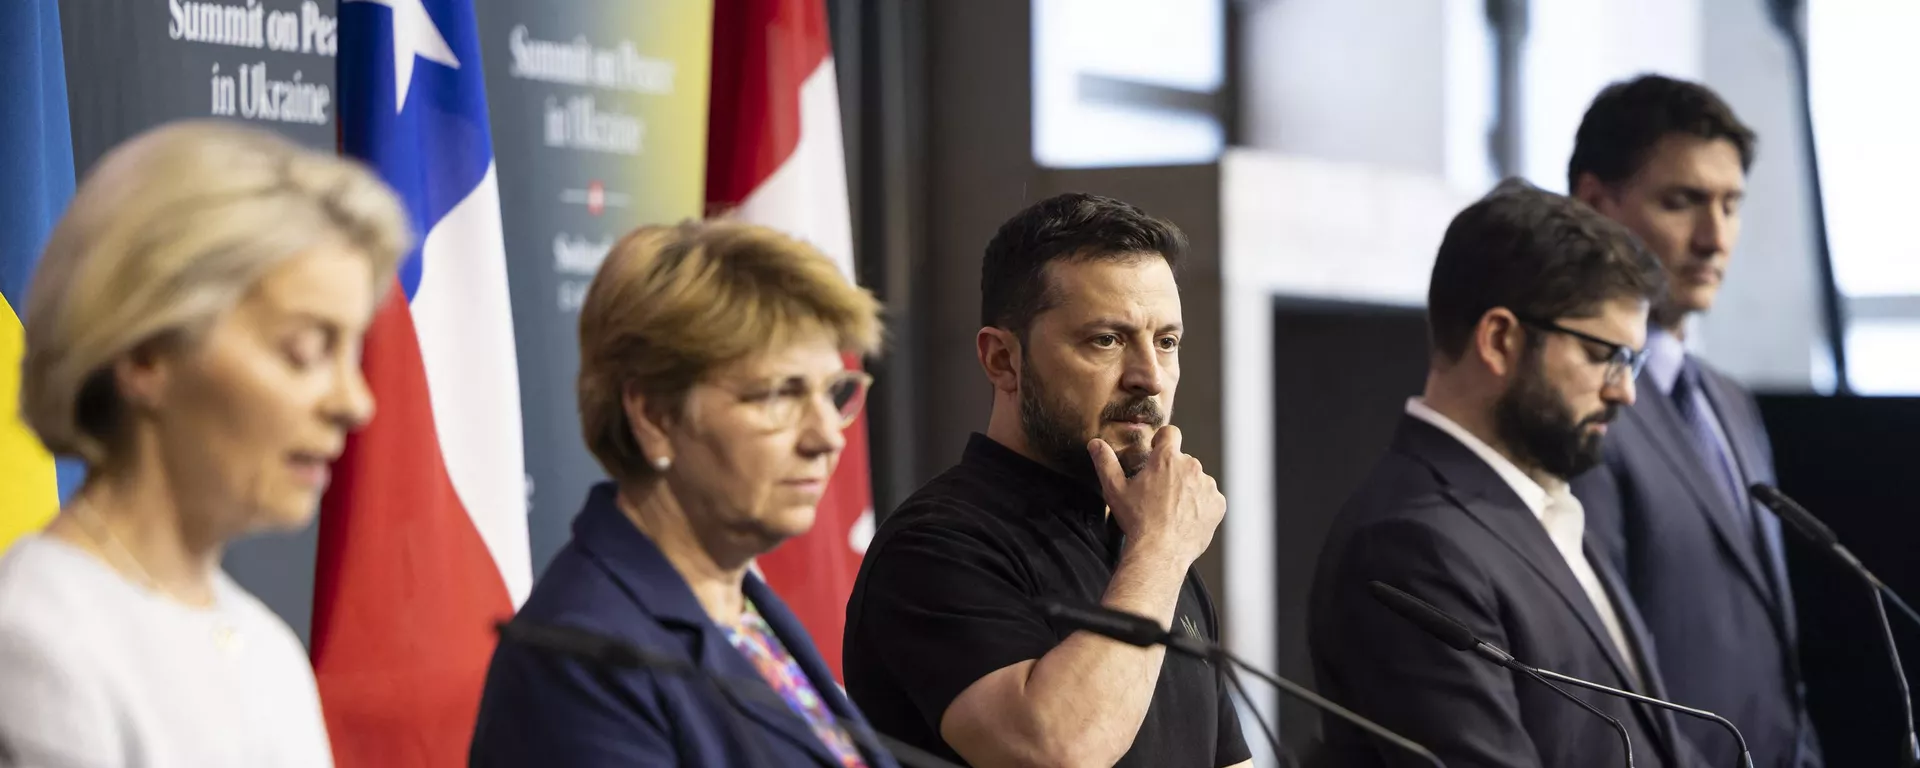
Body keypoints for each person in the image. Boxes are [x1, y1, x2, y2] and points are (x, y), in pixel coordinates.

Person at [0, 119, 411, 767]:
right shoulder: (36, 643)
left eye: (352, 351)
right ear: (146, 355)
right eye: (305, 351)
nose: (354, 402)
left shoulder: (267, 648)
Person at [468, 221, 898, 768]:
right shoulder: (583, 658)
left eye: (834, 393)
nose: (827, 437)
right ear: (654, 415)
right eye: (778, 395)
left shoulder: (745, 610)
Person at [844, 192, 1251, 768]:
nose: (1150, 377)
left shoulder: (1145, 541)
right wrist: (1161, 551)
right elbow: (1054, 754)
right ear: (1002, 361)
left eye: (1166, 342)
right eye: (1106, 340)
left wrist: (1157, 550)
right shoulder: (937, 546)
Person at [1309, 180, 1703, 768]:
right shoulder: (1410, 544)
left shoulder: (1545, 504)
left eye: (1633, 360)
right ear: (1499, 340)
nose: (1625, 391)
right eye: (1604, 356)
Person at [1566, 75, 1819, 768]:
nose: (1714, 237)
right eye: (1682, 202)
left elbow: (1769, 658)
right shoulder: (1574, 408)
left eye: (1731, 205)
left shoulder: (1731, 402)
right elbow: (1603, 673)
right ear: (1595, 203)